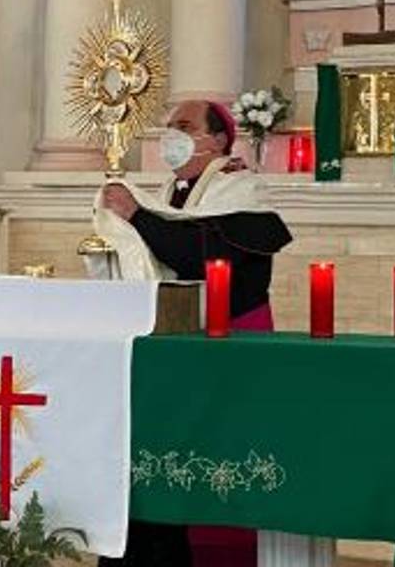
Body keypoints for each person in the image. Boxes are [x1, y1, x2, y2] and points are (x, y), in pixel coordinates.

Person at [95, 99, 293, 566]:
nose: (171, 134)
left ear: (219, 140)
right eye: (168, 126)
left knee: (220, 448)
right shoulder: (170, 194)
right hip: (180, 342)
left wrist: (137, 218)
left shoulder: (238, 191)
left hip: (233, 343)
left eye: (183, 126)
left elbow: (200, 254)